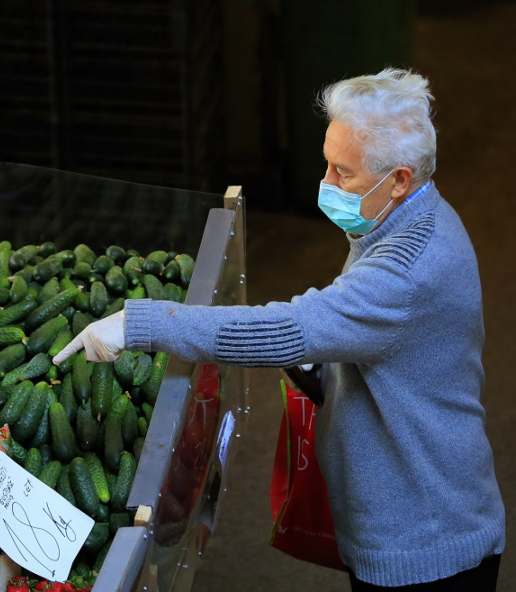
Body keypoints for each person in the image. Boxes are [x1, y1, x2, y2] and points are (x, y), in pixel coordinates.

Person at [52, 69, 505, 590]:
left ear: (400, 178)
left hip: (425, 546)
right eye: (327, 163)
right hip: (416, 518)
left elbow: (288, 328)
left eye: (343, 173)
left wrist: (141, 322)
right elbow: (377, 331)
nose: (327, 184)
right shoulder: (406, 215)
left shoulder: (407, 269)